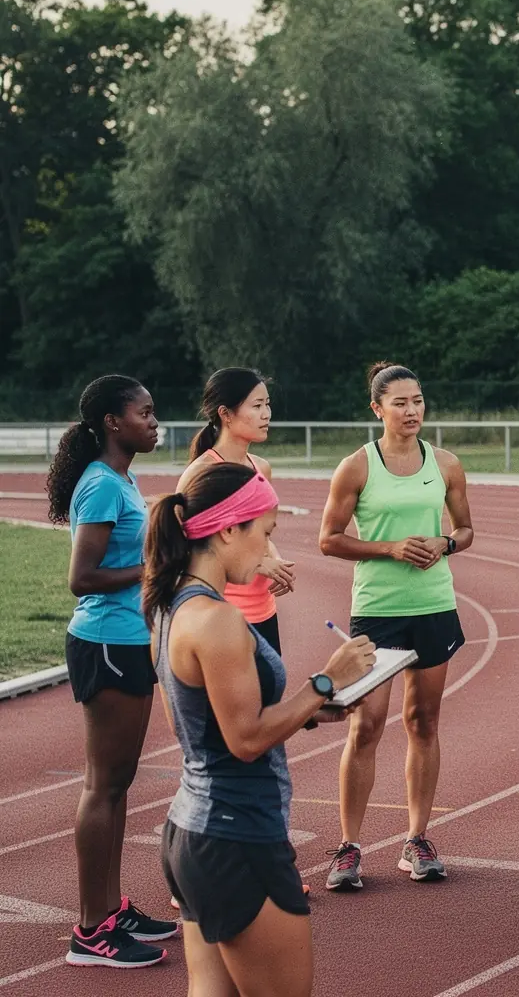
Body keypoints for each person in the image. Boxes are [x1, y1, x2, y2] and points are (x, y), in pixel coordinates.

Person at [143, 461, 376, 996]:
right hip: (238, 835)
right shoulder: (217, 618)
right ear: (228, 528)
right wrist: (324, 682)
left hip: (192, 831)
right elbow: (244, 740)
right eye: (265, 535)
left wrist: (307, 708)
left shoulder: (171, 605)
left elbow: (200, 725)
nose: (270, 553)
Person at [318, 361, 474, 890]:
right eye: (401, 402)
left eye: (419, 401)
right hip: (379, 609)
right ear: (377, 408)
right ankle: (348, 847)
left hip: (433, 604)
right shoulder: (357, 467)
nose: (412, 411)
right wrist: (388, 547)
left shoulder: (447, 463)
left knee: (423, 721)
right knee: (365, 725)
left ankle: (417, 839)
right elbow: (329, 539)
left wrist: (445, 542)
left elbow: (467, 528)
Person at [45, 374, 178, 969]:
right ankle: (90, 930)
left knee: (118, 784)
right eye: (145, 414)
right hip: (104, 641)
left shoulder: (121, 477)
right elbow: (82, 578)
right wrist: (156, 570)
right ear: (112, 423)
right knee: (103, 784)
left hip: (125, 639)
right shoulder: (101, 484)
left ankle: (110, 908)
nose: (154, 422)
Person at [178, 367, 296, 656]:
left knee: (269, 698)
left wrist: (275, 560)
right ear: (225, 413)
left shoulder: (261, 467)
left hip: (264, 612)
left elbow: (260, 534)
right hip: (221, 612)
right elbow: (187, 550)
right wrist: (257, 564)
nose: (266, 413)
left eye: (267, 404)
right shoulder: (202, 473)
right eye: (256, 406)